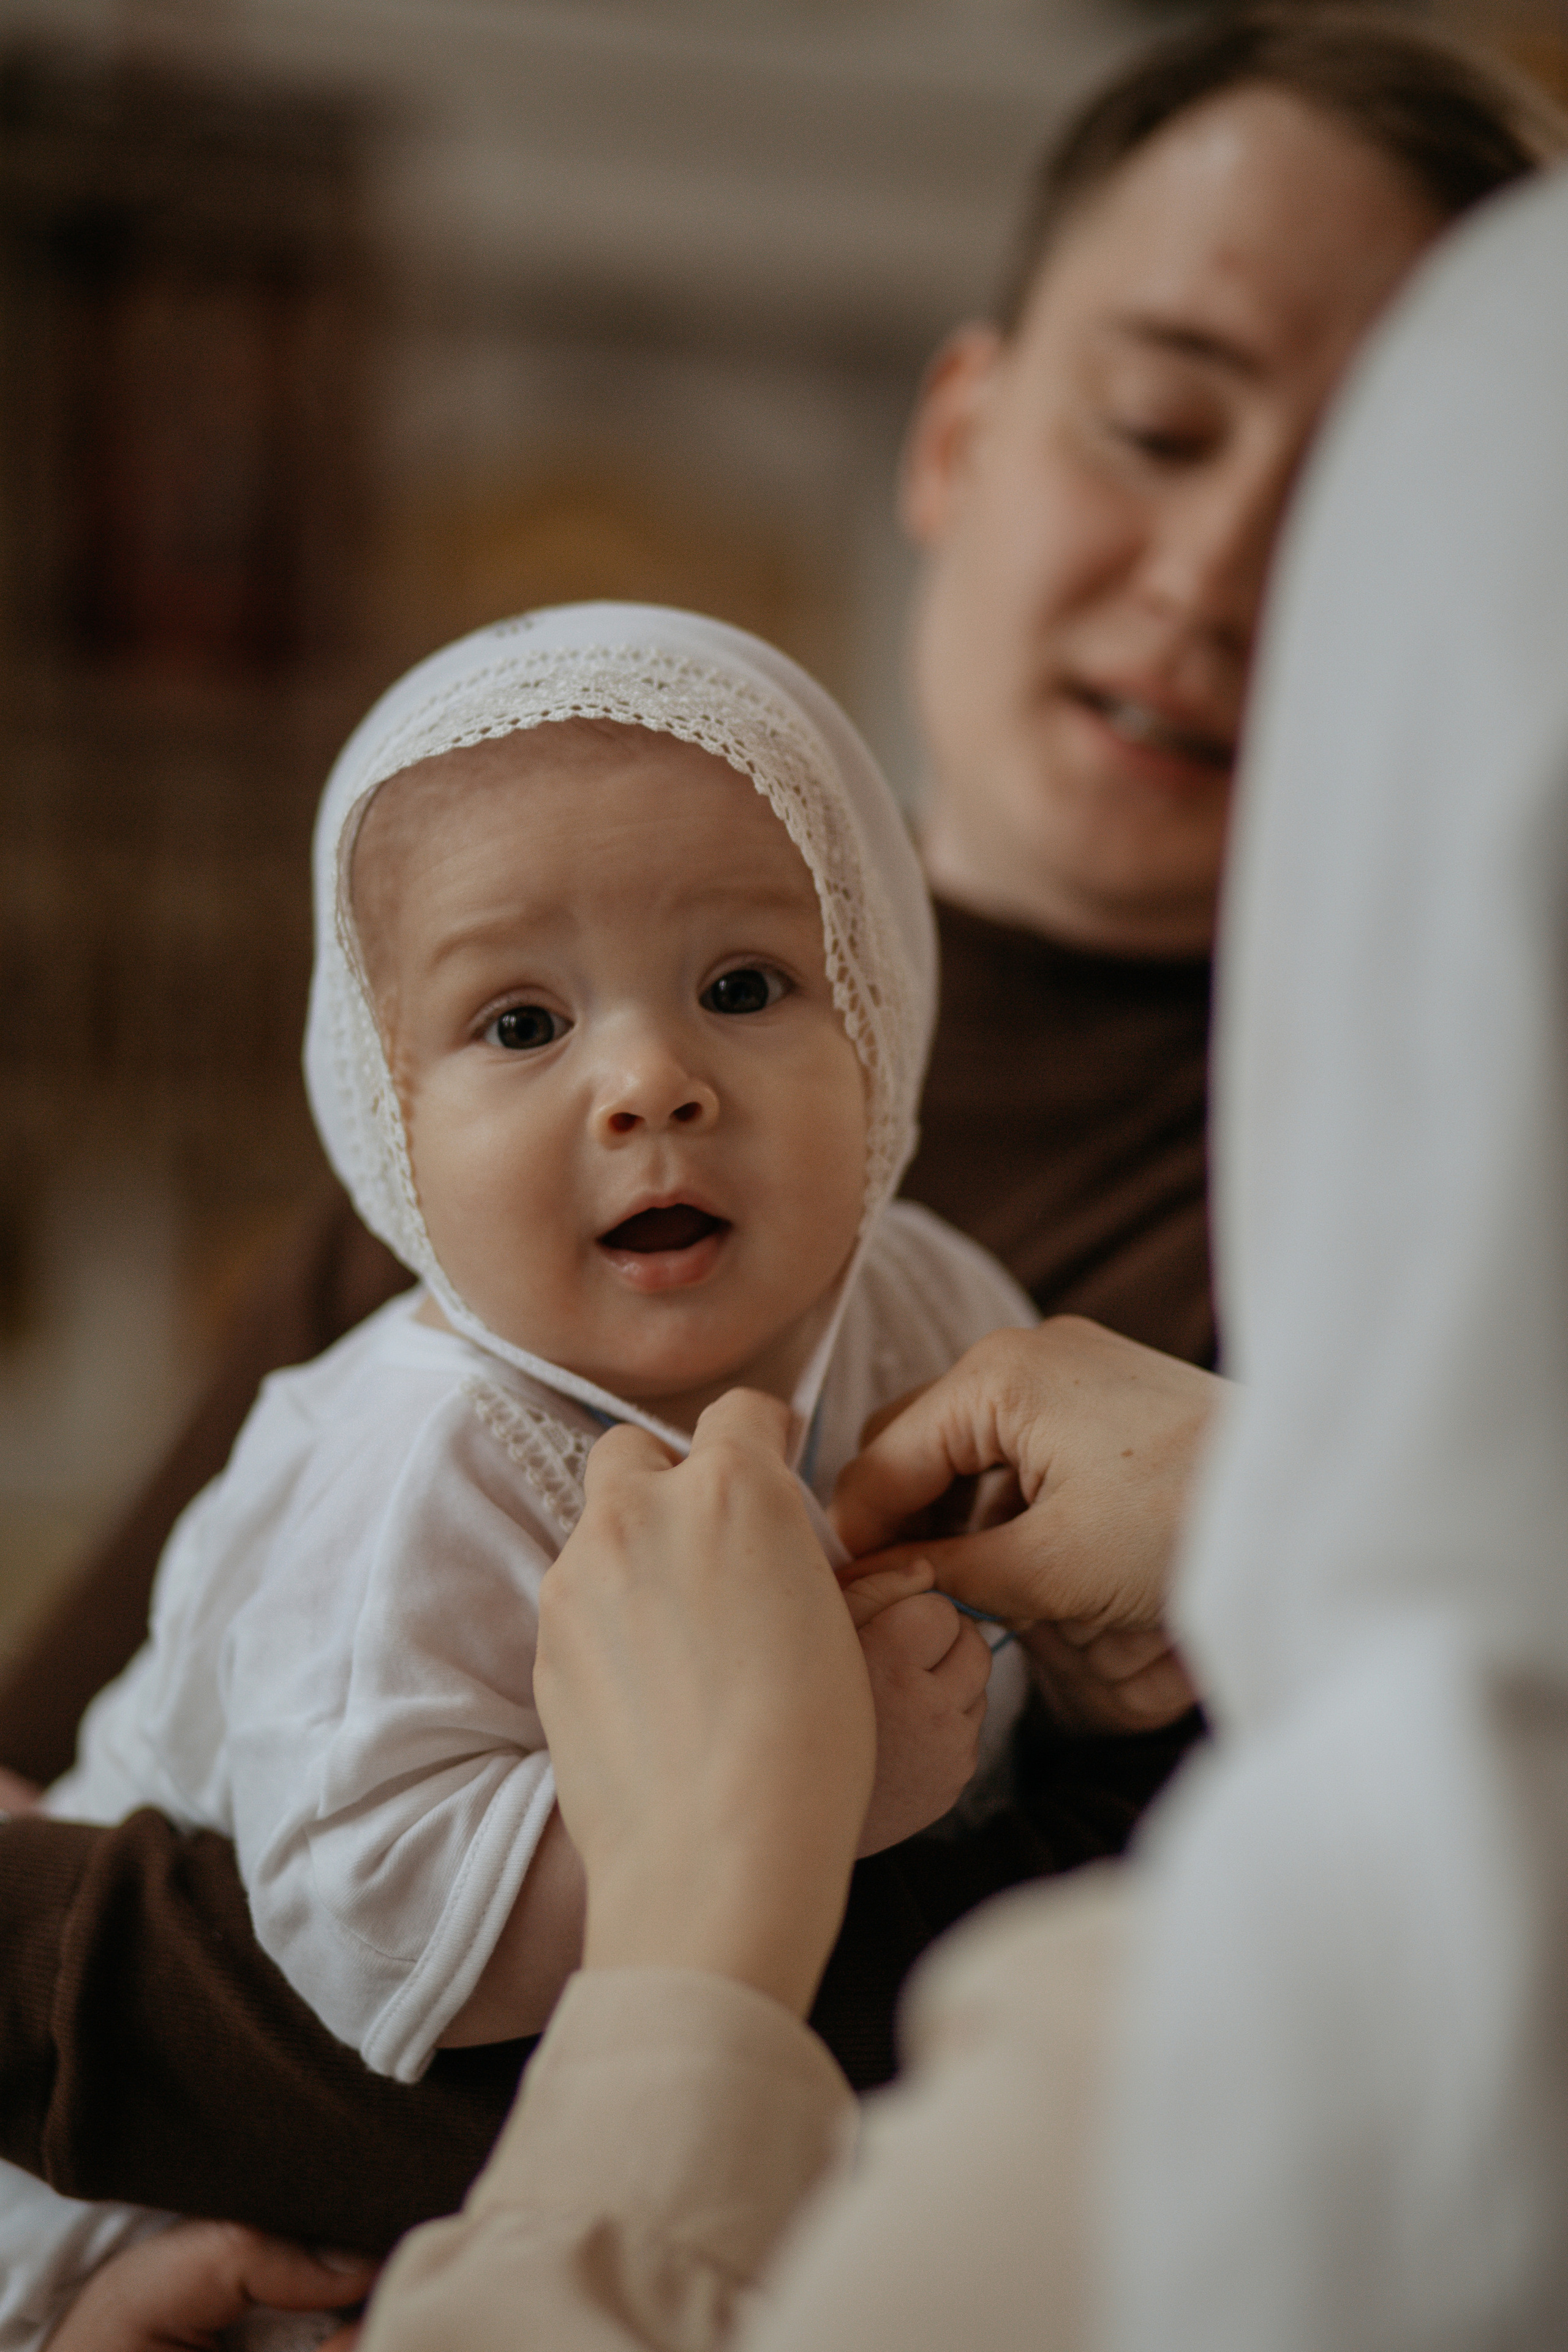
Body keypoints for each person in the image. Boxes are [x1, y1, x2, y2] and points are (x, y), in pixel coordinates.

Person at [0, 0, 1559, 2307]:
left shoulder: (1420, 1230)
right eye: (1159, 420)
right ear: (960, 433)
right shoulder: (457, 1175)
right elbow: (100, 1764)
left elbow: (941, 2044)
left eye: (1351, 505)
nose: (1224, 571)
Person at [1, 600, 1049, 2343]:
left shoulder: (935, 1307)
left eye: (742, 986)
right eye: (517, 1025)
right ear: (385, 1119)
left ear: (882, 1008)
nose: (649, 1082)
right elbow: (359, 1915)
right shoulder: (417, 1462)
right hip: (145, 2154)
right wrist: (818, 1789)